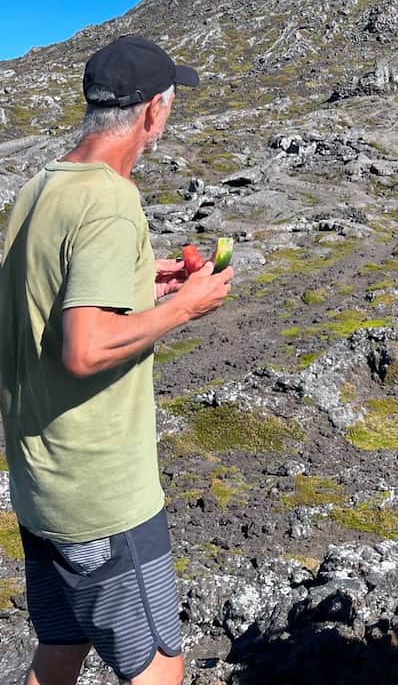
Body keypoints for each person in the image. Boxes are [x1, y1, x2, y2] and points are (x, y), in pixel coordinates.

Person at [0, 35, 234, 685]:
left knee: (61, 652)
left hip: (40, 486)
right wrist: (187, 306)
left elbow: (38, 307)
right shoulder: (110, 200)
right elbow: (83, 347)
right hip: (100, 496)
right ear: (153, 111)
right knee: (160, 668)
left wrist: (140, 284)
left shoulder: (40, 189)